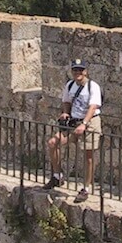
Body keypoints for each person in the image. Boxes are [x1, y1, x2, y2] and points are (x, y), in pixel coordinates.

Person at [43, 58, 102, 203]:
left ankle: (86, 188)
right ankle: (57, 176)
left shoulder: (92, 86)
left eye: (80, 70)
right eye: (75, 70)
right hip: (73, 122)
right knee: (53, 143)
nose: (78, 73)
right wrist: (65, 112)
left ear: (86, 71)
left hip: (90, 122)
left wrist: (84, 123)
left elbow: (93, 106)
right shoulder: (70, 85)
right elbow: (66, 101)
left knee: (88, 156)